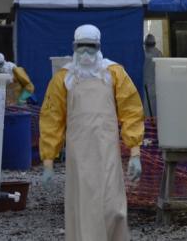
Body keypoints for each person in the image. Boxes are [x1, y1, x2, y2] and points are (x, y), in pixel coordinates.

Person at [39, 24, 144, 241]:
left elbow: (131, 110)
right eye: (81, 47)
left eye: (91, 47)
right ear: (73, 47)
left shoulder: (114, 73)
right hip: (80, 154)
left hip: (107, 151)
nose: (86, 53)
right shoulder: (63, 78)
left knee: (113, 208)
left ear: (99, 46)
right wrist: (48, 160)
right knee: (85, 209)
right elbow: (52, 118)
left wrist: (135, 152)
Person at [143, 34, 163, 117]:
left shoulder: (142, 55)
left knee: (147, 110)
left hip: (145, 86)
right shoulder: (159, 54)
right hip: (156, 86)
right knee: (155, 110)